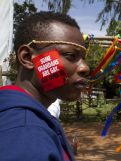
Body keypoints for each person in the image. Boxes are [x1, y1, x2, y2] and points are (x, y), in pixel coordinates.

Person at [0, 12, 89, 161]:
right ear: (28, 58)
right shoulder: (25, 132)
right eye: (70, 55)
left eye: (83, 58)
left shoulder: (24, 119)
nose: (85, 67)